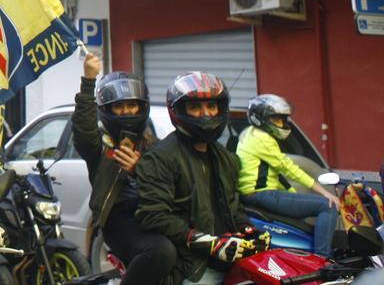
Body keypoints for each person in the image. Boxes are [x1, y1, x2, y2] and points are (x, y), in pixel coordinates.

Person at [136, 72, 267, 284]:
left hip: (230, 260)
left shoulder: (226, 158)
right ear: (178, 111)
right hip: (192, 266)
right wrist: (205, 241)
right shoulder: (160, 158)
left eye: (211, 107)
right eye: (196, 108)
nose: (206, 114)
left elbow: (233, 208)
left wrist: (249, 229)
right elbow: (153, 216)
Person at [72, 52, 175, 283]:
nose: (127, 111)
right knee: (161, 252)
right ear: (107, 109)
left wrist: (140, 170)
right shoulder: (100, 147)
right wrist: (88, 81)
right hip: (120, 221)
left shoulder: (155, 146)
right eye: (120, 106)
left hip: (156, 215)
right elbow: (84, 130)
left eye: (132, 105)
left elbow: (170, 184)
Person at [237, 94, 339, 257]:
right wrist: (325, 193)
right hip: (262, 194)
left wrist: (293, 194)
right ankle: (323, 258)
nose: (281, 124)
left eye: (282, 120)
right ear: (260, 118)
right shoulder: (262, 138)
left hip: (257, 194)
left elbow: (276, 174)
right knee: (327, 206)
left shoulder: (250, 134)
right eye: (276, 119)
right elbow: (288, 168)